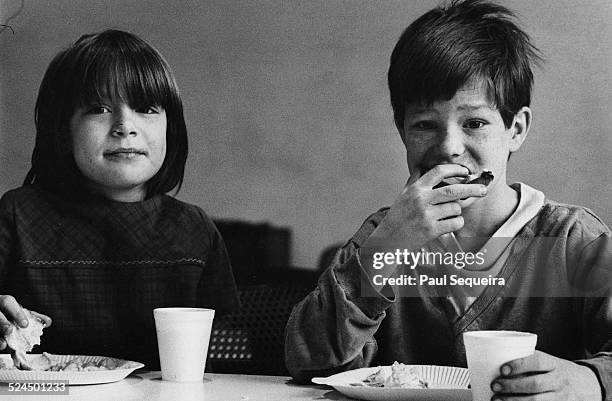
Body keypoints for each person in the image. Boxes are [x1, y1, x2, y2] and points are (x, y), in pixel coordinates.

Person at [285, 1, 611, 399]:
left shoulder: (573, 241)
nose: (450, 147)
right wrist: (387, 251)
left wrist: (591, 381)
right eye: (425, 125)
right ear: (403, 132)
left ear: (516, 129)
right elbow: (308, 362)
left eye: (474, 123)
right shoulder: (384, 235)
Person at [0, 30, 239, 369]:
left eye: (145, 108)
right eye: (99, 108)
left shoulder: (193, 229)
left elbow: (229, 349)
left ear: (171, 128)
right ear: (63, 129)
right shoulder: (17, 216)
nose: (124, 126)